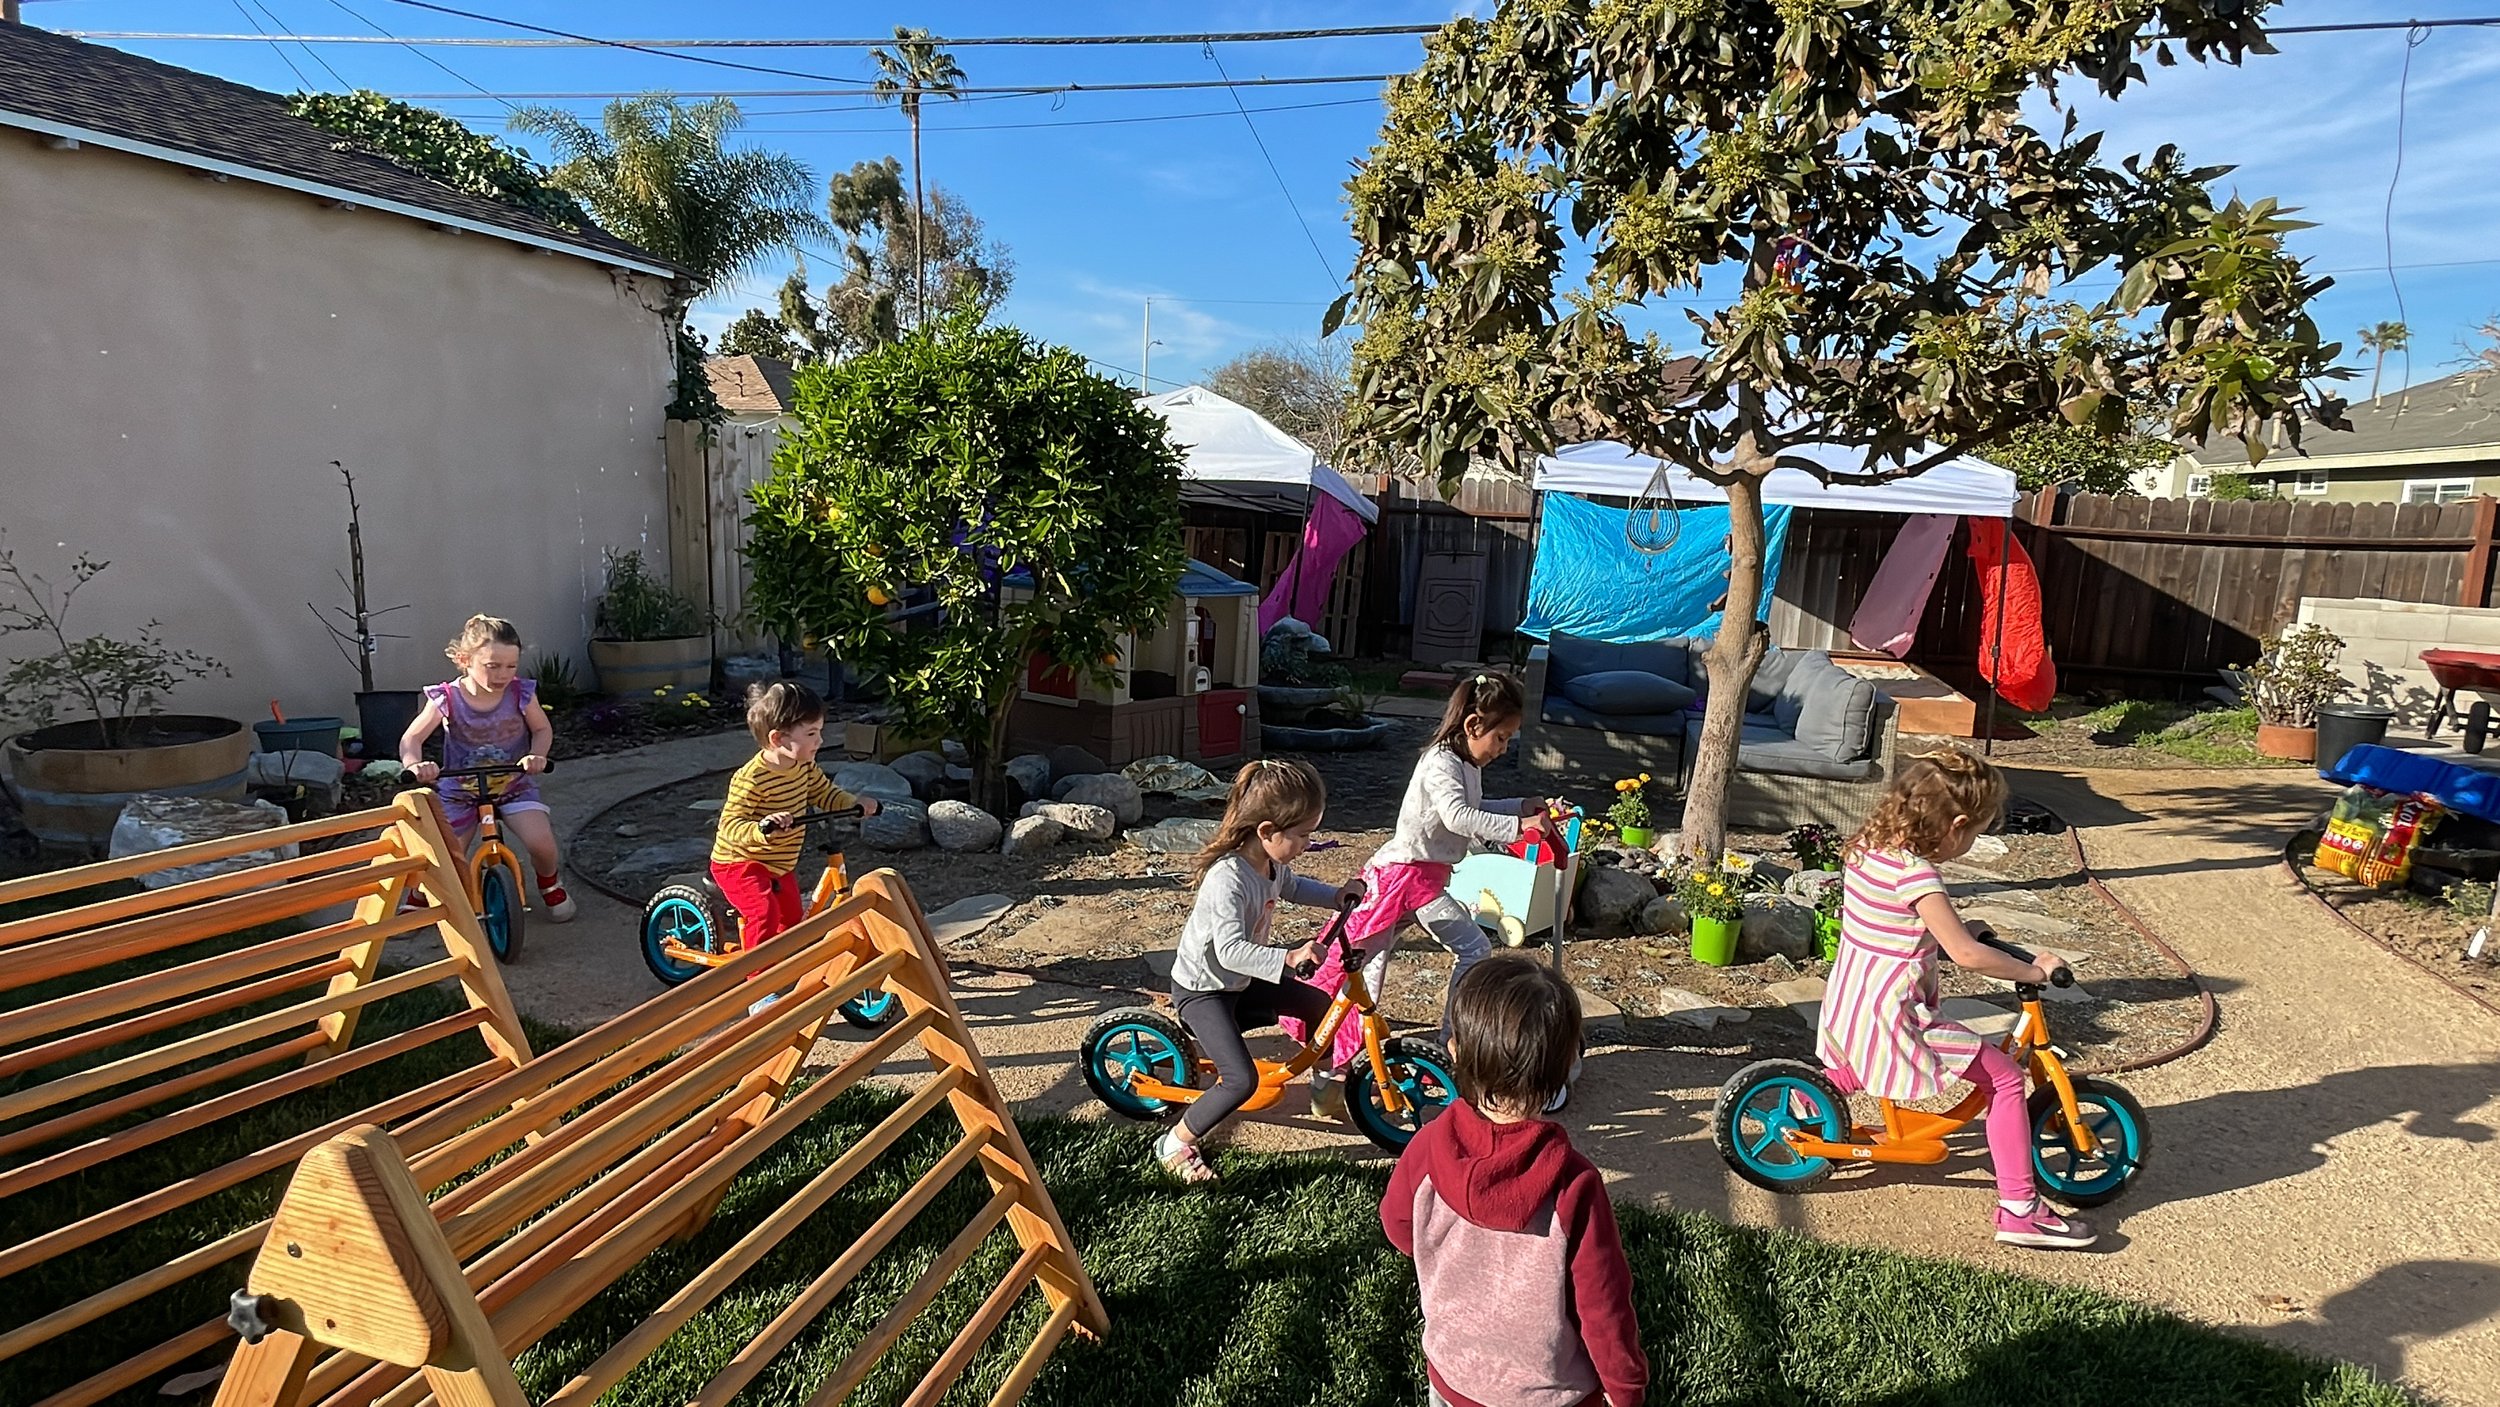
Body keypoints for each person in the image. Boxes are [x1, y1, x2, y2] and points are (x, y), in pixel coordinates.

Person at [1818, 748, 2092, 1250]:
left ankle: (1807, 1101)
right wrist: (2032, 969)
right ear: (1957, 824)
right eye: (1976, 832)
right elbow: (1966, 956)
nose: (1971, 842)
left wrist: (1960, 927)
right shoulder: (1918, 875)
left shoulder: (1867, 848)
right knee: (2006, 1080)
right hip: (1897, 1010)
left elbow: (1893, 922)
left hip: (1856, 995)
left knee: (1870, 1057)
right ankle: (2019, 1211)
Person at [1383, 953, 1647, 1407]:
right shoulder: (1574, 1185)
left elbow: (1398, 1228)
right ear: (1565, 1069)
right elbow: (1603, 1308)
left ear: (1455, 1052)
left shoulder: (1426, 1147)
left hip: (1454, 1376)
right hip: (1548, 1394)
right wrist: (1626, 1391)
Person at [1298, 672, 1547, 1118]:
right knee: (1370, 974)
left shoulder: (1466, 764)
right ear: (1473, 726)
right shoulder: (1441, 763)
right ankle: (1355, 1067)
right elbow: (1457, 817)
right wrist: (1517, 830)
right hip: (1404, 879)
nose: (1504, 748)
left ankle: (1340, 1074)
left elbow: (1475, 810)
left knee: (1373, 969)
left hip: (1423, 879)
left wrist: (1518, 807)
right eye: (1502, 737)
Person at [1157, 758, 1357, 1183]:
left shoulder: (1269, 865)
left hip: (1241, 981)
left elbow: (1295, 886)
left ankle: (1325, 1083)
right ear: (1266, 831)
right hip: (1204, 991)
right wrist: (1286, 957)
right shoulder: (1227, 880)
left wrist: (1336, 896)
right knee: (1240, 1080)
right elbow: (1229, 951)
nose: (1307, 843)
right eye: (1302, 835)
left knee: (1318, 1003)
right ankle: (1175, 1142)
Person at [401, 615, 572, 920]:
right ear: (465, 660)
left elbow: (542, 730)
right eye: (493, 666)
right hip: (460, 790)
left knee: (541, 842)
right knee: (445, 855)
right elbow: (412, 737)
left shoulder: (521, 693)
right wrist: (416, 765)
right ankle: (422, 893)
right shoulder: (447, 697)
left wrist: (537, 756)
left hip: (513, 785)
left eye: (511, 666)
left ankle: (549, 883)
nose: (503, 674)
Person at [709, 681, 879, 952]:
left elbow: (824, 792)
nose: (820, 741)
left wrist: (854, 803)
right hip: (740, 862)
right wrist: (763, 828)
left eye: (819, 732)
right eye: (812, 733)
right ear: (778, 739)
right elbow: (731, 825)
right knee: (764, 913)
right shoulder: (751, 779)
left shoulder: (804, 767)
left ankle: (786, 966)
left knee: (790, 921)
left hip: (779, 863)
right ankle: (758, 982)